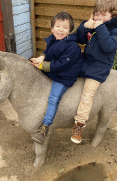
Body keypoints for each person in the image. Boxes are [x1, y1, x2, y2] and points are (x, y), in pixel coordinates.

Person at [71, 0, 117, 144]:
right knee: (64, 70)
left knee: (87, 94)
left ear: (112, 15)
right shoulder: (93, 25)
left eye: (104, 14)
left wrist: (99, 26)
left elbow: (109, 46)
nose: (99, 17)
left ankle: (79, 125)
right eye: (97, 14)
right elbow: (81, 39)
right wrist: (84, 26)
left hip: (99, 68)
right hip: (85, 61)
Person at [30, 12, 82, 145]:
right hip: (53, 71)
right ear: (52, 28)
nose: (60, 30)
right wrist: (42, 57)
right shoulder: (55, 39)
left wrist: (42, 65)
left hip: (63, 76)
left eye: (65, 27)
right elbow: (48, 51)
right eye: (58, 26)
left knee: (53, 98)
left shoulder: (72, 46)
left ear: (70, 31)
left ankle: (44, 127)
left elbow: (61, 64)